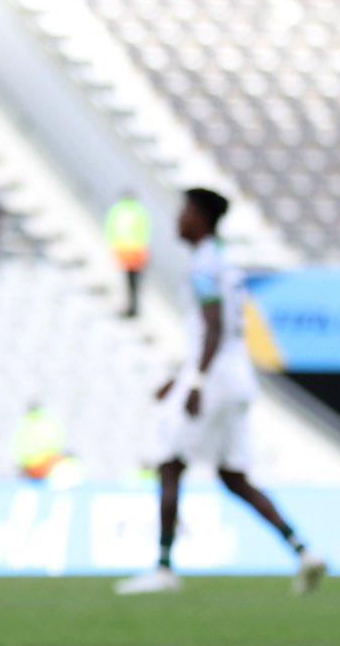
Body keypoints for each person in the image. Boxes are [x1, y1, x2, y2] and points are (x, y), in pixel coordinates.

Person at [118, 189, 326, 596]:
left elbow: (212, 326)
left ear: (200, 218)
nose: (178, 220)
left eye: (184, 212)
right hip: (236, 377)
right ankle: (303, 550)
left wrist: (193, 382)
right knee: (234, 477)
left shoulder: (204, 265)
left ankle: (163, 568)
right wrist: (180, 377)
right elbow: (217, 332)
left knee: (169, 462)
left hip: (212, 379)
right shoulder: (225, 263)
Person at [105, 191, 151, 319]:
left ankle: (130, 308)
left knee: (128, 281)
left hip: (125, 250)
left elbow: (111, 228)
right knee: (133, 282)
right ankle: (132, 308)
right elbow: (144, 230)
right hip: (135, 250)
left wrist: (113, 245)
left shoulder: (118, 210)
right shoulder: (138, 210)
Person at [13, 402, 65, 480]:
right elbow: (58, 443)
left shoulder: (24, 424)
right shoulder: (48, 422)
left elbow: (17, 449)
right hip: (46, 465)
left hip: (28, 468)